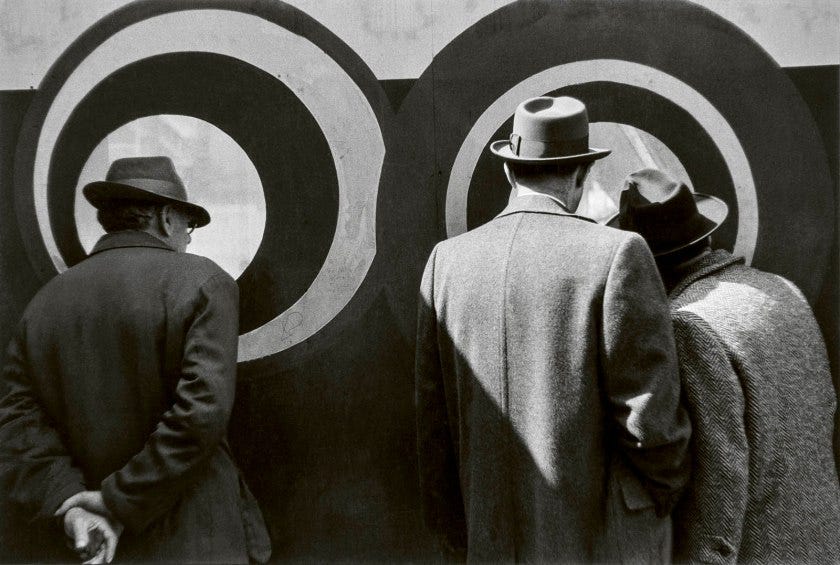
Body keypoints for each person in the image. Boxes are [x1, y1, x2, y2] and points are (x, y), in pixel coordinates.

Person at [415, 96, 691, 562]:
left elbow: (433, 429)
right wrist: (659, 499)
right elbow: (651, 423)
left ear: (509, 171)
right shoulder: (618, 254)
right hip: (596, 542)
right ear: (581, 176)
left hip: (488, 543)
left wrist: (463, 537)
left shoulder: (446, 263)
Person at [0, 156, 271, 563]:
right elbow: (201, 414)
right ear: (165, 219)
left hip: (89, 545)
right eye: (188, 225)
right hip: (196, 542)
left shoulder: (44, 302)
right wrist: (118, 500)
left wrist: (72, 501)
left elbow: (16, 421)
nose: (189, 238)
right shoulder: (204, 283)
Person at [609, 168, 840, 563]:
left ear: (645, 267)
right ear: (704, 234)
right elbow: (826, 409)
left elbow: (719, 486)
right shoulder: (782, 289)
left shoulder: (688, 326)